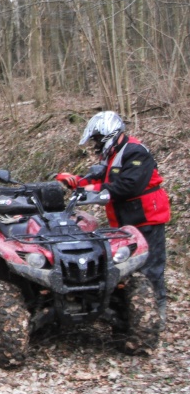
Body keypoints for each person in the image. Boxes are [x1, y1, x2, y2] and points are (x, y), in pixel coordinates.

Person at [56, 111, 171, 324]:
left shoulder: (136, 153)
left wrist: (89, 191)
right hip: (124, 221)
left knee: (151, 267)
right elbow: (103, 179)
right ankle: (129, 310)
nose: (96, 144)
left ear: (110, 134)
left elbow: (127, 186)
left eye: (98, 139)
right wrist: (77, 182)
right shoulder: (112, 155)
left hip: (146, 218)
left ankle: (157, 312)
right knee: (124, 267)